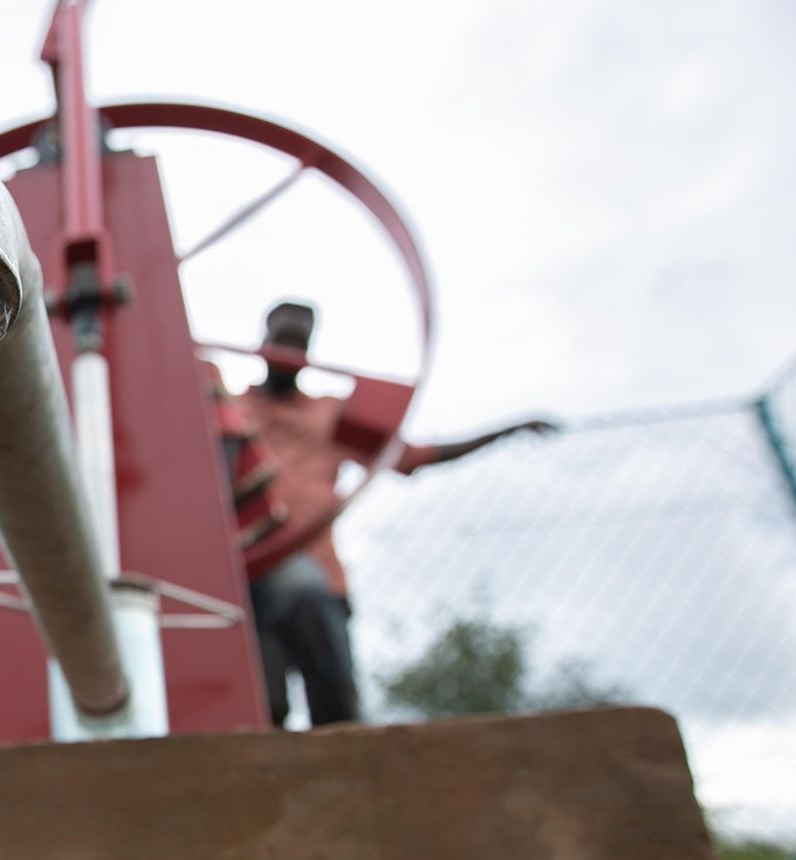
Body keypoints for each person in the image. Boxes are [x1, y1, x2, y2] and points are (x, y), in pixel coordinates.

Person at [226, 299, 556, 728]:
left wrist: (506, 431)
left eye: (298, 342)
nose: (288, 351)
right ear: (261, 343)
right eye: (280, 339)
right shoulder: (228, 412)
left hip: (315, 576)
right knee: (261, 705)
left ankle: (348, 753)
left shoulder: (331, 414)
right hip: (244, 577)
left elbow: (413, 455)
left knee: (331, 686)